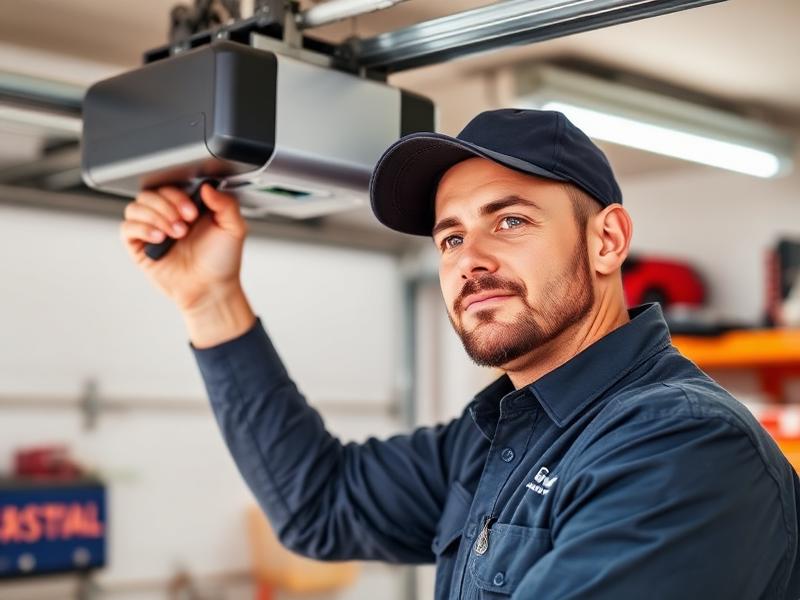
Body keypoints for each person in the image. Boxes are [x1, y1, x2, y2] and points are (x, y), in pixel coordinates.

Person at [120, 109, 800, 599]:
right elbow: (319, 506)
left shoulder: (680, 446)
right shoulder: (493, 443)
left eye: (509, 221)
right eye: (450, 238)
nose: (470, 261)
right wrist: (211, 301)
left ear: (606, 240)